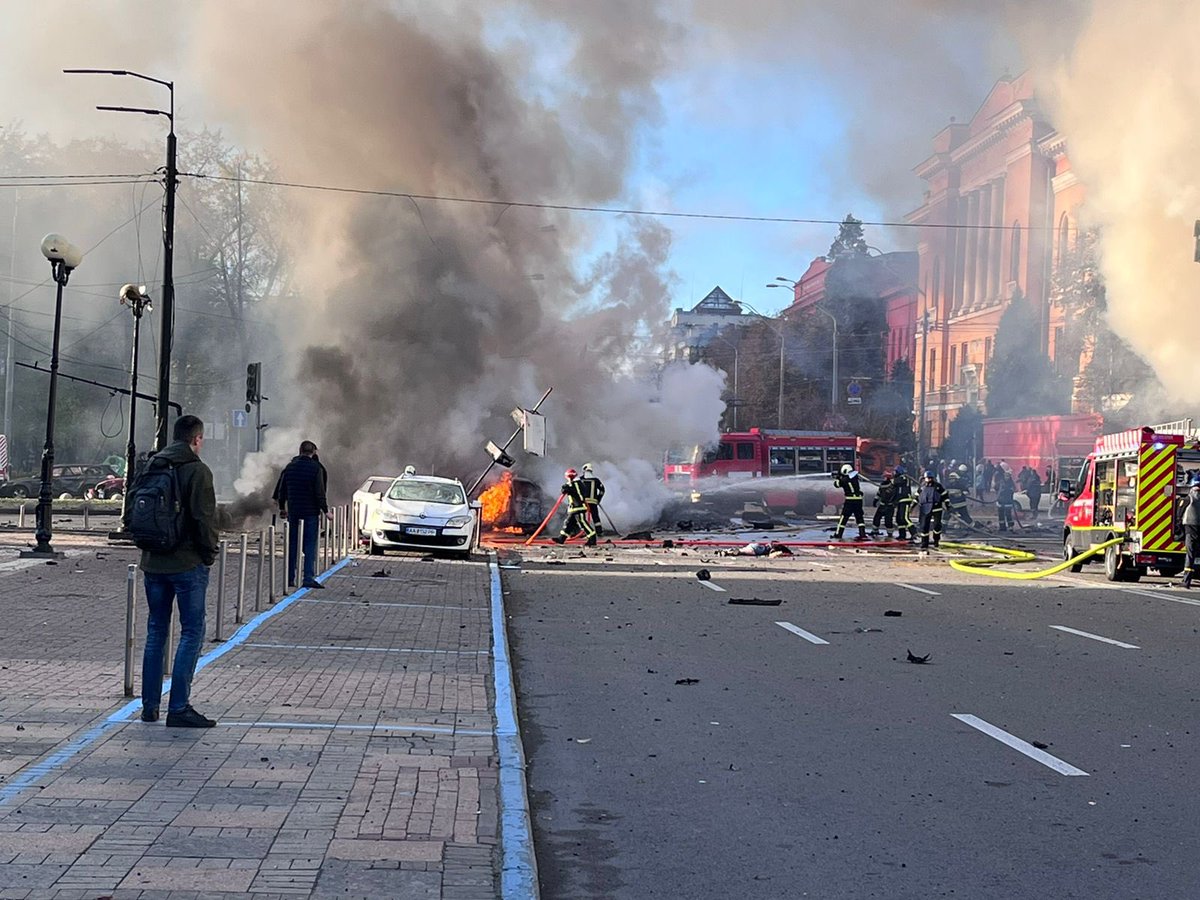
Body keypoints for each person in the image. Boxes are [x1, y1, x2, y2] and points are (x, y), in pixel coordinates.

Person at [132, 415, 219, 728]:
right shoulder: (197, 470)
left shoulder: (152, 465)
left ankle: (149, 706)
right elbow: (203, 520)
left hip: (153, 561)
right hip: (186, 564)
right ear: (196, 439)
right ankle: (179, 707)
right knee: (192, 631)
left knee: (156, 630)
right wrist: (209, 554)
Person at [273, 440, 329, 588]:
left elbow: (281, 490)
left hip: (294, 512)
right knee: (310, 545)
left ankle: (290, 578)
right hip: (310, 512)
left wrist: (282, 508)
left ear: (300, 451)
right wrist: (326, 511)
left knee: (293, 545)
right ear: (314, 452)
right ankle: (308, 577)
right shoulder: (316, 469)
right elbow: (320, 492)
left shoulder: (290, 468)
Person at [554, 468, 596, 546]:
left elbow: (566, 490)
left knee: (582, 523)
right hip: (574, 509)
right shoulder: (575, 484)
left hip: (578, 508)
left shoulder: (576, 484)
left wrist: (566, 486)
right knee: (568, 523)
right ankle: (561, 538)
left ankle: (592, 538)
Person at [832, 464, 868, 541]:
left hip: (850, 501)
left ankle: (838, 534)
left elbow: (836, 485)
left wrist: (838, 477)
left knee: (844, 518)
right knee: (859, 518)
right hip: (858, 500)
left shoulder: (844, 479)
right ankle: (862, 534)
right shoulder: (855, 477)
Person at [917, 470, 948, 550]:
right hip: (925, 509)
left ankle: (936, 541)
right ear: (925, 478)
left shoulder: (938, 486)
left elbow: (945, 495)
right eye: (928, 478)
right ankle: (924, 544)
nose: (929, 479)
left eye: (931, 478)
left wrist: (948, 505)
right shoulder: (922, 487)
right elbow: (917, 496)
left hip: (936, 508)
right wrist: (912, 506)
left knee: (937, 526)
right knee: (924, 527)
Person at [1179, 473, 1200, 588]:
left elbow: (1179, 514)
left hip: (1190, 529)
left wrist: (1178, 529)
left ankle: (1186, 581)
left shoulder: (1188, 498)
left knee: (1190, 555)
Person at [578, 463, 606, 536]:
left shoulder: (580, 480)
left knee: (582, 518)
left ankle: (583, 532)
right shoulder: (596, 480)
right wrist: (598, 499)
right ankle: (599, 532)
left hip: (583, 502)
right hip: (593, 502)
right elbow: (602, 490)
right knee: (595, 517)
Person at [871, 471, 897, 539]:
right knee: (876, 518)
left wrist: (894, 503)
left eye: (884, 477)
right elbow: (879, 494)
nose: (883, 478)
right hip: (882, 505)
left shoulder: (892, 486)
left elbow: (893, 495)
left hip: (889, 506)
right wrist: (875, 500)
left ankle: (890, 534)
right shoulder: (882, 484)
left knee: (888, 521)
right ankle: (875, 531)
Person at [893, 464, 915, 542]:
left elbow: (896, 482)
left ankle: (914, 533)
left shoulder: (903, 478)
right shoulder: (898, 480)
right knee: (899, 519)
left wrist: (891, 479)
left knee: (905, 518)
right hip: (900, 501)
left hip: (905, 500)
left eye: (895, 471)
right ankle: (902, 535)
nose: (894, 473)